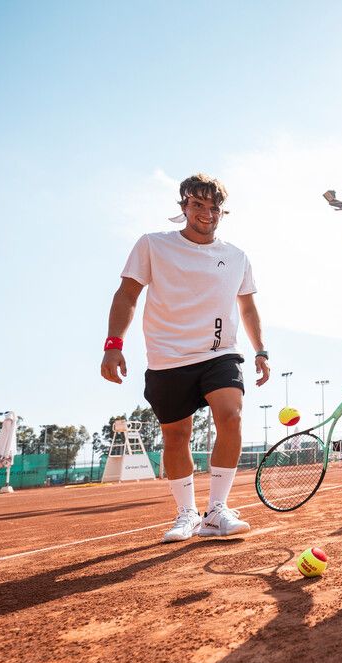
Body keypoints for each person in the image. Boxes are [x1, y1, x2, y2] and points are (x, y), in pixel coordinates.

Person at [101, 174, 269, 542]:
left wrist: (260, 351)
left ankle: (217, 510)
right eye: (198, 205)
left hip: (219, 354)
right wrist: (114, 343)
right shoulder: (152, 245)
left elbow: (249, 308)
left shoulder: (236, 256)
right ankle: (186, 514)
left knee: (231, 414)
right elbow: (127, 294)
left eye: (214, 208)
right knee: (176, 435)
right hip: (167, 356)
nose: (207, 214)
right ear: (183, 207)